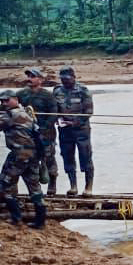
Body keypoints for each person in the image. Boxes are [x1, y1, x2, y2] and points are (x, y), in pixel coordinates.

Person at [0, 90, 45, 228]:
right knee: (34, 187)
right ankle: (40, 222)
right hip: (33, 154)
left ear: (15, 99)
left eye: (6, 100)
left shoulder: (11, 115)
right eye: (1, 101)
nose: (4, 103)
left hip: (19, 155)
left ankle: (16, 218)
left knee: (4, 183)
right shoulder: (27, 112)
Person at [16, 68, 59, 195]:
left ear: (40, 80)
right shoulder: (21, 94)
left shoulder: (48, 95)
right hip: (28, 133)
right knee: (31, 160)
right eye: (28, 76)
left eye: (33, 76)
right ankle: (35, 188)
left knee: (49, 158)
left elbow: (54, 113)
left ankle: (52, 183)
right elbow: (8, 104)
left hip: (46, 133)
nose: (29, 79)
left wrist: (44, 128)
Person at [53, 66, 94, 197]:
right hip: (65, 130)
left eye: (67, 79)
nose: (65, 81)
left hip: (81, 130)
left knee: (85, 156)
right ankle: (73, 186)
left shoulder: (83, 90)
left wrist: (75, 122)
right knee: (67, 157)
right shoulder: (57, 90)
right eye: (63, 79)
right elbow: (54, 109)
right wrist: (57, 119)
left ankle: (88, 187)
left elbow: (88, 112)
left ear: (74, 77)